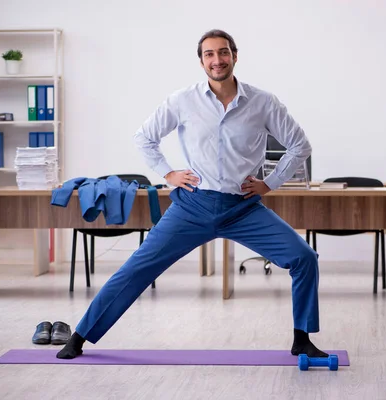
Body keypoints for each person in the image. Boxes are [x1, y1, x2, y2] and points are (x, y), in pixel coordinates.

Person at [57, 29, 327, 359]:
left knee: (304, 257)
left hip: (242, 208)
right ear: (201, 61)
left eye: (223, 52)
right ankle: (81, 335)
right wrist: (168, 173)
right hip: (193, 206)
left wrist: (271, 182)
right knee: (136, 269)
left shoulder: (263, 102)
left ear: (235, 56)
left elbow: (300, 146)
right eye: (210, 54)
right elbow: (145, 138)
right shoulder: (183, 100)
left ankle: (302, 339)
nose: (217, 60)